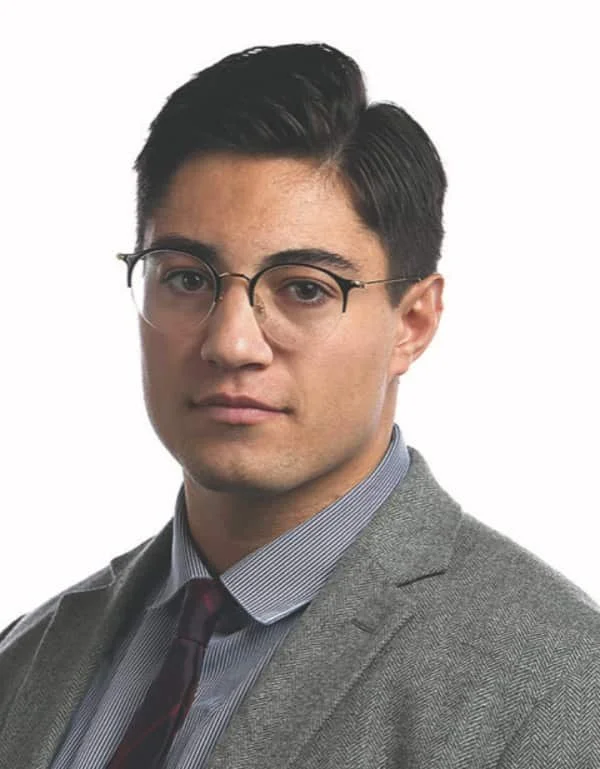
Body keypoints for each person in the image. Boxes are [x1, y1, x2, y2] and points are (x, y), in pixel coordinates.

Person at [1, 42, 599, 769]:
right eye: (186, 278)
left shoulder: (559, 690)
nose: (231, 342)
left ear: (412, 323)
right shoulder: (27, 656)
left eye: (306, 288)